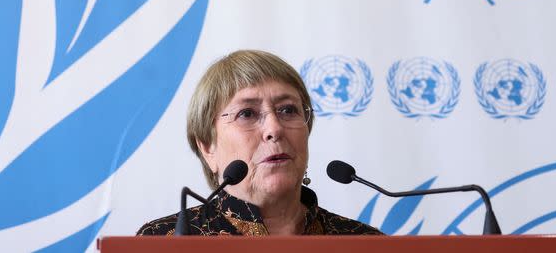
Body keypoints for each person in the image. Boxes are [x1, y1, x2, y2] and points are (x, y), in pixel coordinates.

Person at [137, 50, 382, 236]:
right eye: (247, 114)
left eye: (288, 110)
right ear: (208, 147)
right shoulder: (164, 241)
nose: (274, 129)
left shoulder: (367, 243)